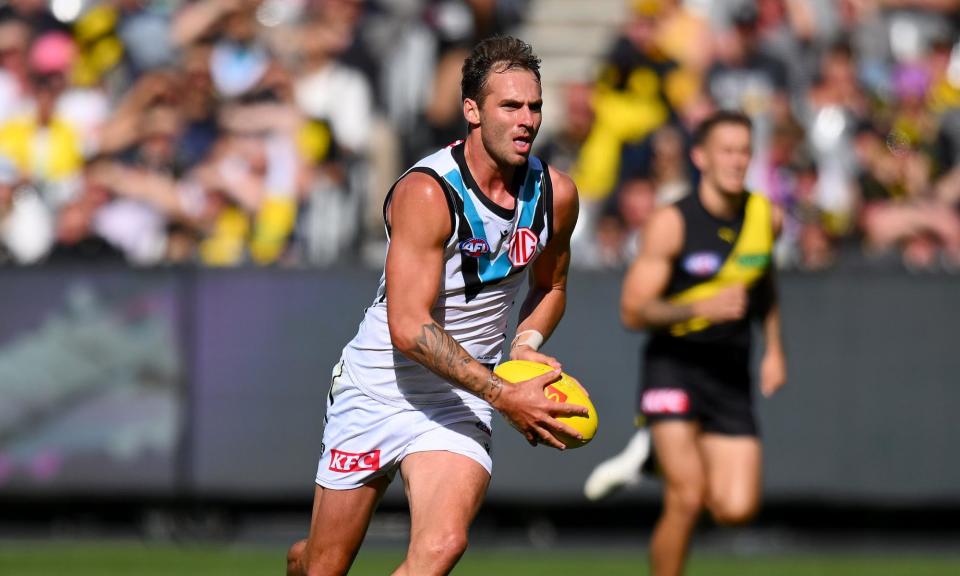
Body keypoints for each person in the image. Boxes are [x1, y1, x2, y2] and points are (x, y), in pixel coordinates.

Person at [286, 35, 586, 576]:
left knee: (442, 547)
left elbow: (552, 287)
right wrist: (504, 393)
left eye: (535, 107)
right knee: (322, 566)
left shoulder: (555, 194)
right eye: (510, 106)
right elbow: (407, 326)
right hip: (381, 385)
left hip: (460, 396)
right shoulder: (428, 192)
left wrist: (524, 343)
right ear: (471, 110)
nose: (527, 121)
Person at [584, 110, 786, 576]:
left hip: (731, 371)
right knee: (687, 497)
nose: (737, 161)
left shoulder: (766, 218)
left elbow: (766, 285)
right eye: (726, 151)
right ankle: (662, 448)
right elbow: (633, 310)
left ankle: (653, 454)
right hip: (674, 366)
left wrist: (775, 348)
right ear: (701, 157)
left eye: (744, 151)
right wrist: (700, 308)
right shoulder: (672, 223)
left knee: (736, 508)